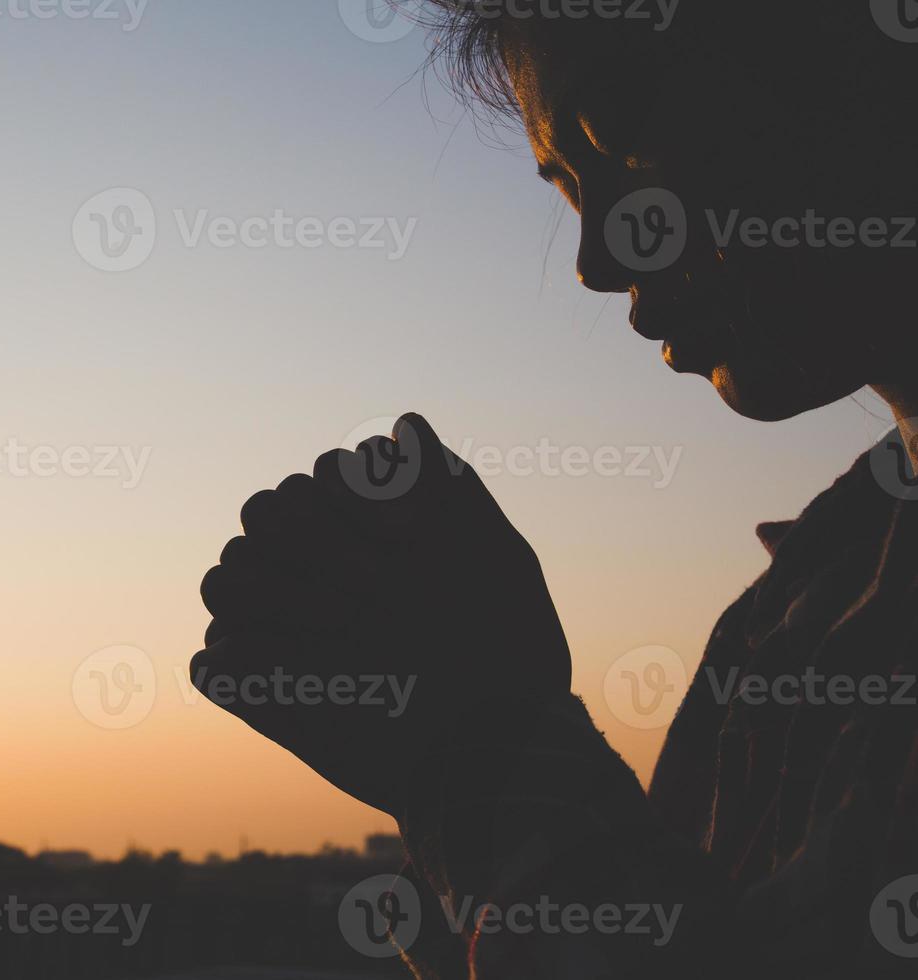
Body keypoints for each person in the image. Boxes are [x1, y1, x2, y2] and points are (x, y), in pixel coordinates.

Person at [191, 4, 918, 977]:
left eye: (623, 133)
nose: (602, 256)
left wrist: (480, 748)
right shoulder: (798, 606)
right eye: (573, 188)